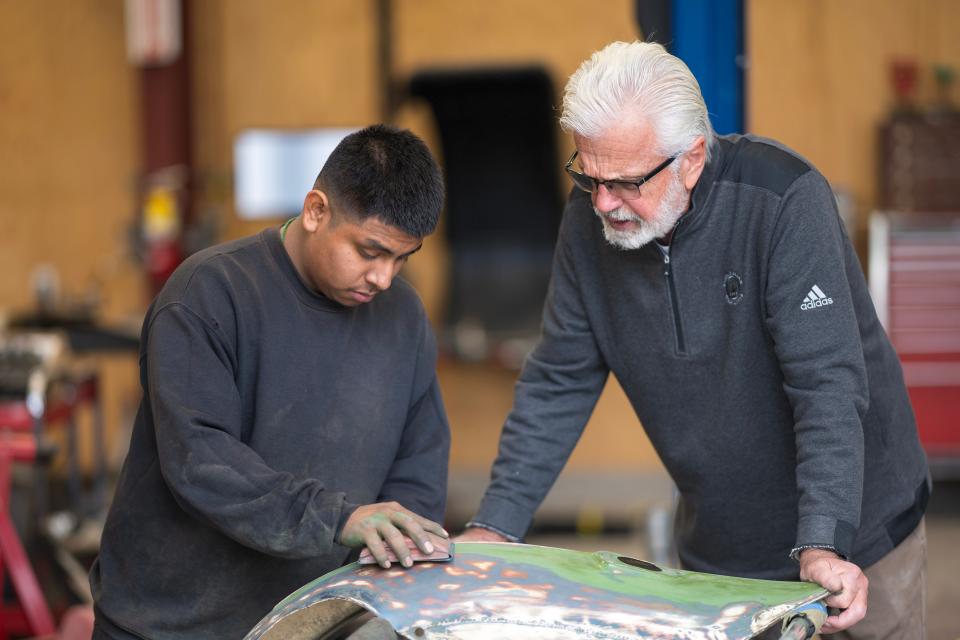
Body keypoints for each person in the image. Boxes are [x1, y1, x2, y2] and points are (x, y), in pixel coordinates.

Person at [457, 42, 930, 638]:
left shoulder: (783, 202)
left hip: (857, 536)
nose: (603, 203)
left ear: (692, 159)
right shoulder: (587, 224)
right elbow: (559, 379)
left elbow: (826, 385)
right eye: (588, 174)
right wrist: (496, 527)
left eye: (625, 182)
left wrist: (823, 541)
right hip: (722, 547)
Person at [90, 124, 452, 639]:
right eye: (370, 251)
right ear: (316, 211)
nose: (384, 277)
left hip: (309, 625)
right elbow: (201, 459)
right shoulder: (207, 294)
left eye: (402, 257)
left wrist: (399, 554)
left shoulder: (403, 318)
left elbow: (418, 462)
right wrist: (337, 519)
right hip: (169, 624)